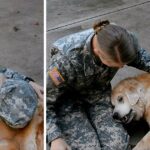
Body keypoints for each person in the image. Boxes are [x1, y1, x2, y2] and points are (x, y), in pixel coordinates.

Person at [47, 20, 150, 150]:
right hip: (67, 101)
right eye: (114, 63)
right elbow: (45, 102)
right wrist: (55, 137)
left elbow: (144, 60)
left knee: (117, 146)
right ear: (97, 52)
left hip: (97, 95)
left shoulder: (122, 42)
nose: (121, 66)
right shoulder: (64, 61)